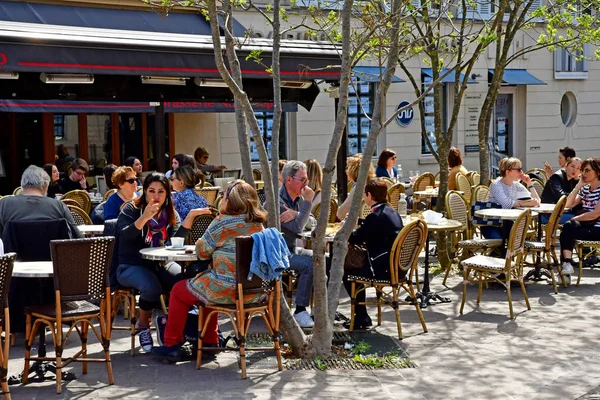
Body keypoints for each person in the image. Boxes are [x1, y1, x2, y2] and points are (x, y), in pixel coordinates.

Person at [151, 181, 266, 359]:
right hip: (252, 292)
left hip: (225, 290)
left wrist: (200, 243)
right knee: (203, 288)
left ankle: (172, 343)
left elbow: (202, 251)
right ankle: (210, 341)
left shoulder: (222, 223)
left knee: (179, 290)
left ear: (229, 200)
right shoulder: (258, 225)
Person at [115, 172, 210, 351]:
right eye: (151, 191)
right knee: (152, 287)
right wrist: (144, 218)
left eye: (161, 192)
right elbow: (124, 236)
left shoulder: (169, 213)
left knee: (183, 282)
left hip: (160, 263)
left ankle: (178, 330)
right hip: (131, 265)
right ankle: (144, 327)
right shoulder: (131, 209)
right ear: (144, 192)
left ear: (167, 194)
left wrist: (188, 219)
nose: (156, 196)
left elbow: (174, 242)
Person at [342, 178, 403, 328]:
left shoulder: (375, 217)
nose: (363, 197)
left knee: (346, 272)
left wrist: (345, 227)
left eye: (364, 194)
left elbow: (356, 238)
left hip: (382, 268)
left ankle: (361, 316)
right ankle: (361, 316)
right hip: (399, 266)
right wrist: (361, 222)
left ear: (369, 195)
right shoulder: (391, 212)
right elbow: (373, 228)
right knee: (352, 268)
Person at [278, 160, 316, 328]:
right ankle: (300, 310)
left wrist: (298, 213)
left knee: (324, 260)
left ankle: (319, 309)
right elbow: (297, 228)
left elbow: (312, 222)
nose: (305, 184)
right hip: (278, 254)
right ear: (288, 180)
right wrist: (306, 205)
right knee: (309, 265)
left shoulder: (297, 200)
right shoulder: (277, 203)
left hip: (293, 249)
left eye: (306, 180)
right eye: (302, 180)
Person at [0, 165, 81, 238]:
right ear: (46, 185)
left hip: (14, 253)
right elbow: (78, 238)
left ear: (22, 184)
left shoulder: (4, 204)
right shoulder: (59, 206)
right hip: (51, 254)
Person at [558, 157, 600, 282]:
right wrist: (578, 186)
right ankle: (567, 266)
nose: (583, 174)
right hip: (587, 227)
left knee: (568, 227)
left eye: (587, 171)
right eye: (583, 171)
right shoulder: (585, 189)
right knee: (567, 229)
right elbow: (568, 205)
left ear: (598, 172)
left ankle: (565, 271)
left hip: (598, 229)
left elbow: (595, 214)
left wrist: (575, 219)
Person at [483, 157, 541, 239]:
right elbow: (506, 204)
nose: (521, 172)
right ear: (508, 172)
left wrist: (529, 184)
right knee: (501, 245)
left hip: (507, 223)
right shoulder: (496, 185)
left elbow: (537, 201)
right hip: (492, 224)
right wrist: (528, 203)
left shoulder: (515, 185)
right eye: (518, 169)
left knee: (516, 240)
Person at [540, 157, 582, 223]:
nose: (575, 170)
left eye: (578, 168)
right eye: (572, 166)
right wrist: (576, 198)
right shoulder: (556, 177)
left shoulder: (573, 180)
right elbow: (562, 198)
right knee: (580, 220)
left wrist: (577, 181)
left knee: (585, 216)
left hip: (563, 211)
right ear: (566, 166)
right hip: (549, 213)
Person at [337, 154, 375, 220]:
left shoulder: (358, 188)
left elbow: (340, 214)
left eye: (347, 167)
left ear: (352, 170)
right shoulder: (372, 185)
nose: (346, 171)